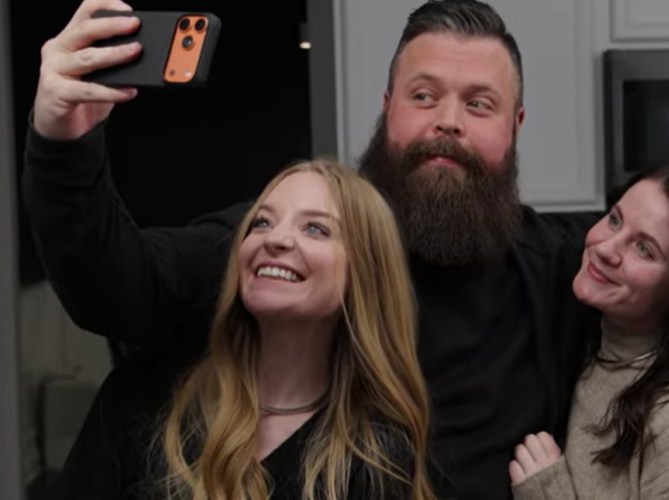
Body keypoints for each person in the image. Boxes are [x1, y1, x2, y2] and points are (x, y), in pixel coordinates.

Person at [24, 1, 597, 498]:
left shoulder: (563, 271)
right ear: (387, 106)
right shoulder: (291, 247)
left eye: (479, 104)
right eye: (423, 95)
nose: (447, 121)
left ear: (516, 124)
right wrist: (62, 137)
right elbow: (116, 286)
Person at [50, 160, 434, 499]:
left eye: (316, 229)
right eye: (262, 222)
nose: (276, 239)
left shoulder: (376, 455)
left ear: (364, 276)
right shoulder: (145, 400)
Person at [507, 168, 669, 499]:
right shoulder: (592, 346)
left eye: (644, 249)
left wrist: (549, 493)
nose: (605, 249)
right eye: (615, 220)